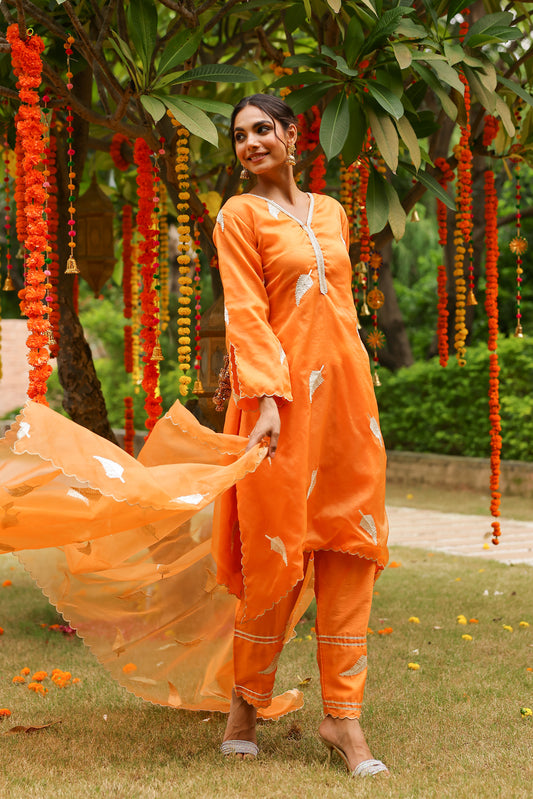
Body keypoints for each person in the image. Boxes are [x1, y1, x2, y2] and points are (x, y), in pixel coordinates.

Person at [211, 94, 389, 777]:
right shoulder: (238, 215)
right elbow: (246, 310)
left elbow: (339, 311)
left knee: (350, 544)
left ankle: (343, 718)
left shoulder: (333, 212)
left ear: (292, 134)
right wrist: (265, 400)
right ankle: (245, 704)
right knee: (275, 549)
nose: (251, 142)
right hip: (276, 405)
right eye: (239, 135)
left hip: (347, 405)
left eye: (263, 129)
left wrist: (363, 396)